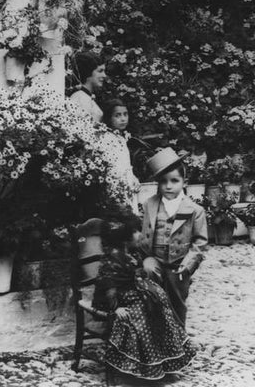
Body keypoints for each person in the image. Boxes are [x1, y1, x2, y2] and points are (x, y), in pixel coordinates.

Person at [86, 210, 197, 380]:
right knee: (141, 318)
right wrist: (116, 308)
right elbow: (109, 285)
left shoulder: (133, 252)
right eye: (136, 232)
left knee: (161, 313)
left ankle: (165, 363)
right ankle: (144, 367)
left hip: (138, 292)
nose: (140, 235)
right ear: (124, 237)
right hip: (123, 298)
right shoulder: (113, 258)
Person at [139, 148, 207, 327]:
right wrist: (144, 255)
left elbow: (200, 242)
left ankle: (178, 337)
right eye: (163, 182)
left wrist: (188, 264)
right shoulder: (150, 204)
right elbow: (144, 232)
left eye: (174, 181)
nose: (168, 186)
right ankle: (155, 332)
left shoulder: (194, 210)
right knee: (151, 290)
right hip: (155, 259)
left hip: (179, 263)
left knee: (177, 299)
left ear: (184, 182)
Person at [68, 50, 107, 123]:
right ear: (88, 72)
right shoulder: (78, 98)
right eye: (100, 71)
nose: (104, 75)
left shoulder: (87, 96)